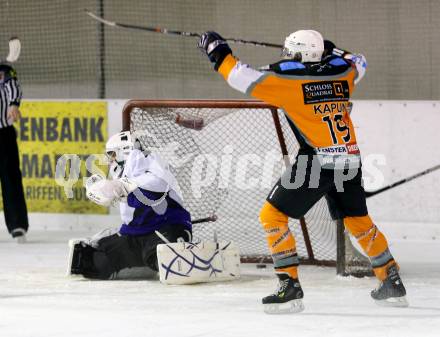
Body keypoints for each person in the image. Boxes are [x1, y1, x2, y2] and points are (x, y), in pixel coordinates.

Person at [198, 30, 407, 313]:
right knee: (358, 221)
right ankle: (390, 279)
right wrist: (334, 52)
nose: (286, 56)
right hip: (349, 159)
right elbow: (360, 61)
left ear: (298, 54)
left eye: (290, 52)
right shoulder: (344, 74)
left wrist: (217, 50)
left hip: (318, 160)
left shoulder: (287, 81)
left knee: (272, 215)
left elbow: (238, 75)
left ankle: (289, 286)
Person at [68, 131, 192, 279]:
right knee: (91, 260)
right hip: (135, 235)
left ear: (124, 151)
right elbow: (130, 210)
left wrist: (122, 187)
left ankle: (167, 257)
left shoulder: (151, 162)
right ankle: (148, 265)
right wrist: (114, 192)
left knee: (163, 257)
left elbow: (154, 193)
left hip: (164, 229)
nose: (110, 160)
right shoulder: (124, 173)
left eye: (112, 154)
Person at [0, 60, 28, 243]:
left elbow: (13, 87)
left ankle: (17, 225)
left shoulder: (4, 70)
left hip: (2, 134)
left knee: (10, 179)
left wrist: (13, 104)